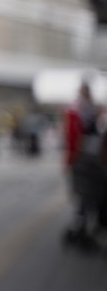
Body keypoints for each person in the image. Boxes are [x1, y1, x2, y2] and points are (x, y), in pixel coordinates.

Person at [62, 81, 106, 248]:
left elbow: (72, 137)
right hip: (90, 159)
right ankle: (83, 229)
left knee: (85, 196)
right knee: (87, 196)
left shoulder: (78, 110)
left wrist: (70, 159)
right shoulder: (89, 110)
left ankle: (81, 228)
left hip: (84, 159)